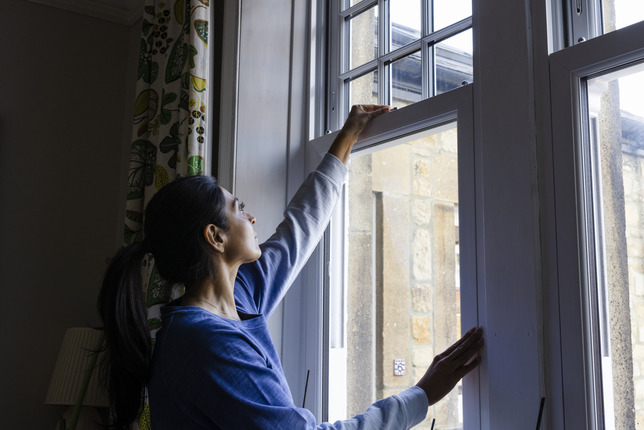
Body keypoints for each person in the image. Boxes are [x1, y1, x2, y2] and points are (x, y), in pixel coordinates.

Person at [98, 105, 483, 429]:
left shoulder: (240, 293)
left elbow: (299, 229)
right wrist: (422, 395)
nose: (250, 217)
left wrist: (347, 138)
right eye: (238, 208)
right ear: (215, 237)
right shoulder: (205, 342)